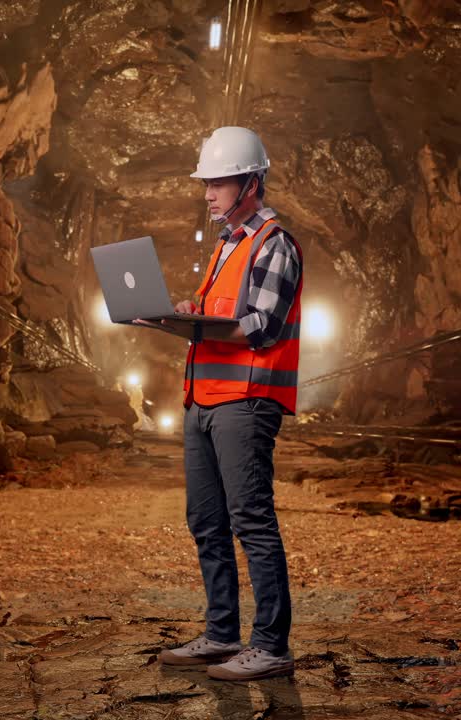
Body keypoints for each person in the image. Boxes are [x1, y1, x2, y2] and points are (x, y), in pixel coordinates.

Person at [138, 127, 304, 681]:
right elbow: (221, 318)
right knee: (206, 521)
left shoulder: (273, 243)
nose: (208, 193)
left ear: (251, 183)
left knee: (250, 520)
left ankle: (271, 645)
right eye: (206, 183)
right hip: (203, 400)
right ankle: (220, 633)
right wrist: (185, 313)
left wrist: (196, 323)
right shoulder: (227, 244)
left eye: (218, 182)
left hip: (245, 400)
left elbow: (260, 327)